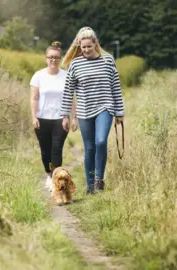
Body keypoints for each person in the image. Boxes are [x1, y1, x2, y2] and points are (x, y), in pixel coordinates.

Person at [59, 27, 125, 195]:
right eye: (83, 47)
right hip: (84, 110)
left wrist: (119, 112)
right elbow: (68, 91)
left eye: (89, 46)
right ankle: (90, 186)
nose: (86, 50)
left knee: (101, 141)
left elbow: (116, 87)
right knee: (89, 149)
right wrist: (66, 115)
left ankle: (99, 180)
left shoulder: (108, 60)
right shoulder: (75, 64)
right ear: (79, 46)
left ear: (96, 44)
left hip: (105, 107)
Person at [30, 41, 77, 192]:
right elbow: (34, 98)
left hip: (60, 119)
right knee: (45, 151)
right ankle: (49, 175)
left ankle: (56, 181)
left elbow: (71, 98)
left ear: (60, 58)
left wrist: (74, 117)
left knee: (56, 149)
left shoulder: (66, 76)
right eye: (50, 57)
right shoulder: (38, 76)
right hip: (42, 118)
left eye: (56, 57)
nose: (53, 60)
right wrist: (34, 117)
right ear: (46, 58)